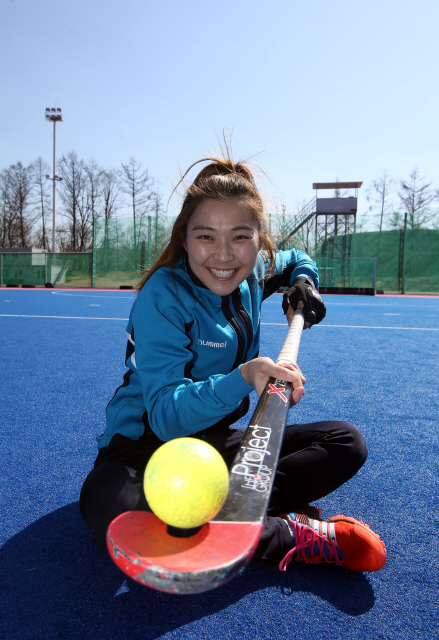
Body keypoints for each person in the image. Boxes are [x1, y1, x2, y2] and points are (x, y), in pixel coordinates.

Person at [79, 152, 386, 573]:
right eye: (206, 237)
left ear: (261, 240)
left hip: (210, 444)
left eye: (240, 237)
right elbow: (167, 417)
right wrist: (244, 376)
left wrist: (303, 282)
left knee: (345, 443)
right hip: (141, 450)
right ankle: (282, 532)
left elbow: (296, 257)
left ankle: (207, 517)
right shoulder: (163, 296)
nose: (223, 256)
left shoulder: (256, 271)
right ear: (184, 238)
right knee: (114, 513)